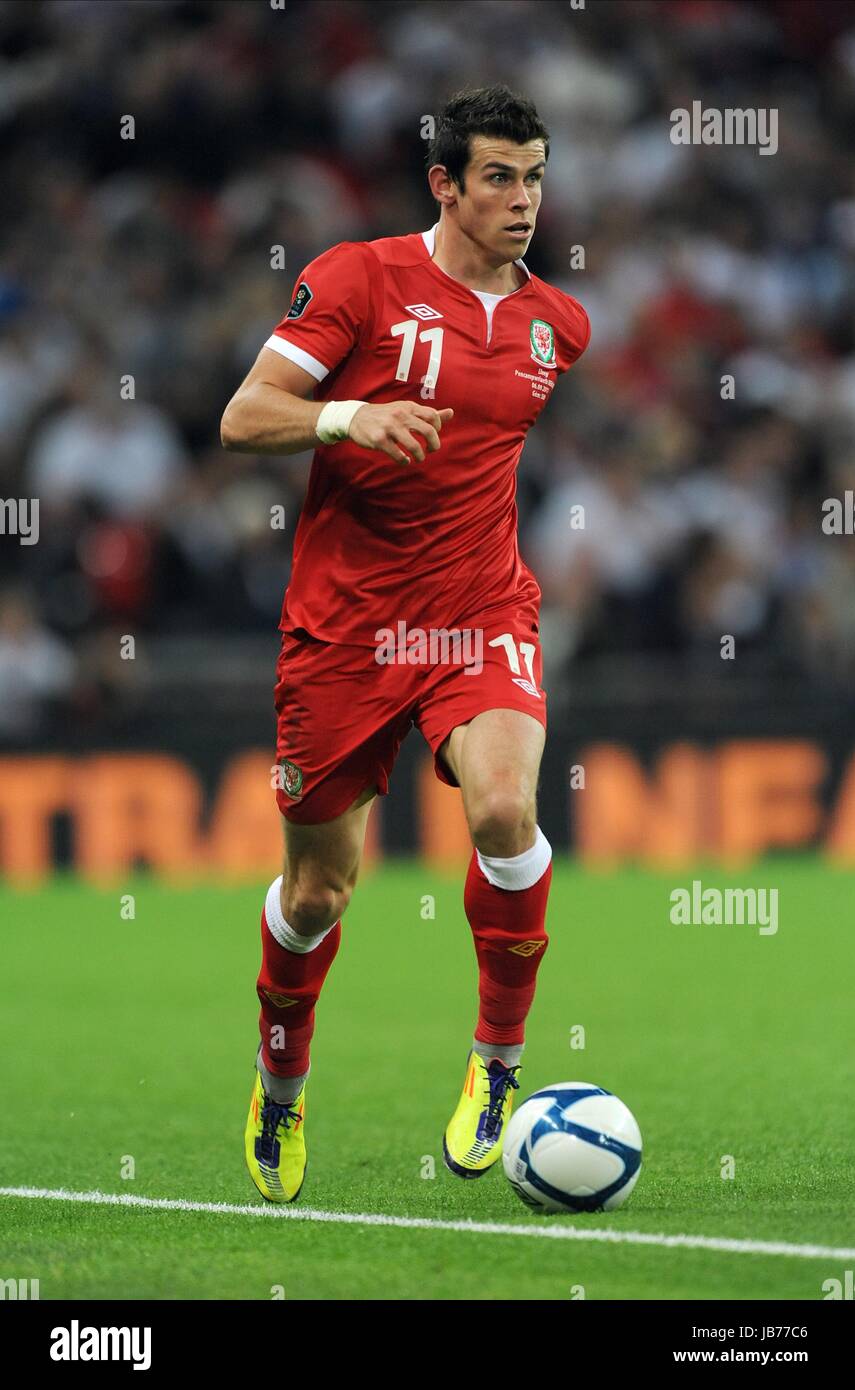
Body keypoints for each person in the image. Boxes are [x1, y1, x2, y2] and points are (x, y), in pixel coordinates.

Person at [221, 85, 590, 1202]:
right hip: (345, 632)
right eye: (497, 176)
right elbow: (245, 415)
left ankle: (498, 1063)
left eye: (533, 176)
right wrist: (349, 415)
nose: (522, 199)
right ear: (444, 182)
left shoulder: (557, 326)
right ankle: (280, 1083)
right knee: (320, 890)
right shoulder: (358, 280)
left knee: (503, 811)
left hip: (480, 611)